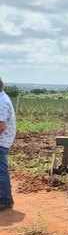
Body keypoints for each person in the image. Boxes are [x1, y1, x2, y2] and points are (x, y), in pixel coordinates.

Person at [0, 76, 16, 211]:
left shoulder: (1, 101)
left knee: (1, 170)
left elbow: (1, 126)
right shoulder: (2, 96)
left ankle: (5, 200)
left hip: (1, 140)